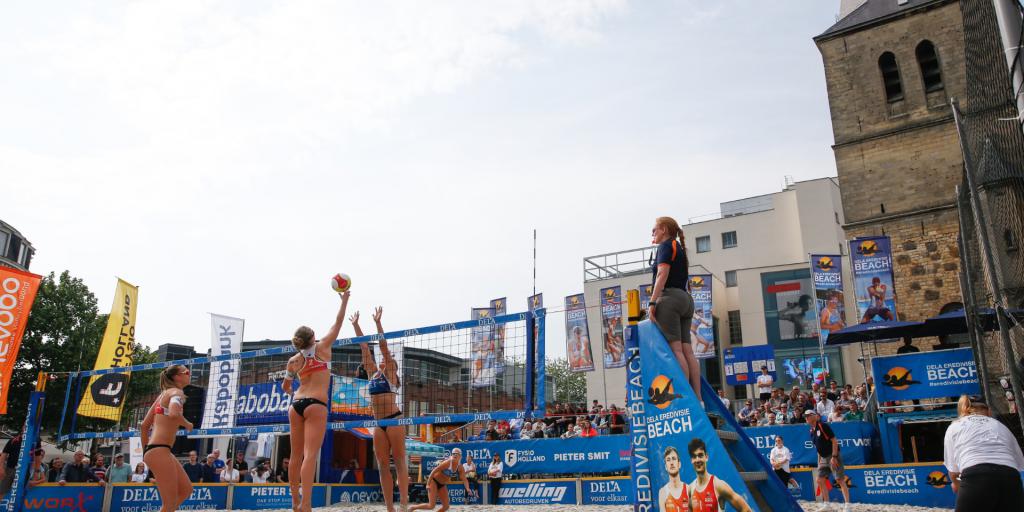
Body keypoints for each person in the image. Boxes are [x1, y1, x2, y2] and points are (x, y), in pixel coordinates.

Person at [282, 290, 350, 512]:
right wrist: (345, 299)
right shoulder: (322, 347)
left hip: (296, 404)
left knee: (295, 455)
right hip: (316, 405)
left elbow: (285, 387)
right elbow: (338, 322)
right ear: (312, 337)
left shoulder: (293, 360)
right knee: (310, 455)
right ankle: (307, 504)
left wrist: (295, 383)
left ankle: (294, 501)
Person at [352, 306, 409, 512]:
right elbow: (364, 348)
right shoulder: (372, 372)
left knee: (400, 461)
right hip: (378, 423)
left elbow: (383, 346)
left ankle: (403, 503)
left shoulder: (391, 372)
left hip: (394, 419)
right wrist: (356, 325)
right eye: (383, 357)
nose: (384, 357)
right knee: (383, 465)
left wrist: (378, 323)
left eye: (388, 357)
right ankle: (389, 507)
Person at [647, 216, 701, 404]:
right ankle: (698, 399)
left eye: (654, 229)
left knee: (676, 351)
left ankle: (684, 398)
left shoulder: (665, 246)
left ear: (663, 229)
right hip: (685, 299)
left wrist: (652, 303)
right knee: (688, 352)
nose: (652, 233)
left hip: (670, 299)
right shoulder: (679, 247)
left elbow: (662, 274)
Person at [944, 394, 1024, 511]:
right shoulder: (1001, 426)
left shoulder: (955, 426)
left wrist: (957, 485)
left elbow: (953, 471)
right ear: (989, 411)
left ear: (962, 409)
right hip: (1010, 478)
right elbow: (1019, 464)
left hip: (977, 476)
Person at [139, 364, 194, 512]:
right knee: (169, 505)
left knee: (186, 490)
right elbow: (174, 414)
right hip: (160, 451)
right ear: (177, 377)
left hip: (157, 450)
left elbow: (144, 426)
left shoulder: (163, 395)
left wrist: (146, 452)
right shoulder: (177, 393)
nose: (190, 374)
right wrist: (187, 424)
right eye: (187, 372)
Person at [687, 438, 752, 512]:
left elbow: (746, 509)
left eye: (700, 455)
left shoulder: (718, 485)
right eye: (694, 456)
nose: (698, 460)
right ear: (691, 460)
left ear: (706, 457)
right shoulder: (690, 489)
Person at [805, 409, 850, 510]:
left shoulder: (822, 426)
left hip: (833, 455)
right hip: (823, 458)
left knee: (840, 480)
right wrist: (819, 462)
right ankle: (827, 505)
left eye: (808, 415)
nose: (806, 417)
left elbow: (834, 441)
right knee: (820, 480)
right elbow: (818, 448)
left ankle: (847, 506)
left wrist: (834, 457)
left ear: (814, 416)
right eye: (805, 416)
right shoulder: (811, 431)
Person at [658, 446, 689, 512]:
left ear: (679, 464)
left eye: (674, 459)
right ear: (666, 467)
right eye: (668, 460)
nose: (671, 463)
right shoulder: (663, 492)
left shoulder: (689, 490)